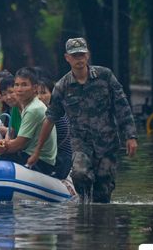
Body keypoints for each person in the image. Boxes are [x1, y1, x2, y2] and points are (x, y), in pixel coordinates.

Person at [28, 37, 138, 203]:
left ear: (88, 55)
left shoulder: (105, 76)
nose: (79, 58)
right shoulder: (62, 86)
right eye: (74, 55)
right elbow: (50, 119)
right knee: (79, 174)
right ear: (67, 57)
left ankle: (97, 222)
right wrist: (37, 152)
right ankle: (83, 211)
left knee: (102, 194)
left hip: (107, 143)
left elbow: (121, 106)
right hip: (81, 143)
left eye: (81, 54)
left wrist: (131, 136)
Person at [0, 68, 59, 172]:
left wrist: (1, 147)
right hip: (33, 155)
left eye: (24, 85)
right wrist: (4, 144)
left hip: (40, 161)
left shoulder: (33, 109)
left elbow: (18, 145)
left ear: (34, 88)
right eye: (17, 85)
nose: (19, 89)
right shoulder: (27, 106)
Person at [38, 77, 73, 180]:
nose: (39, 97)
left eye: (43, 93)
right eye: (36, 93)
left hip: (61, 162)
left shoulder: (53, 115)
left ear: (52, 95)